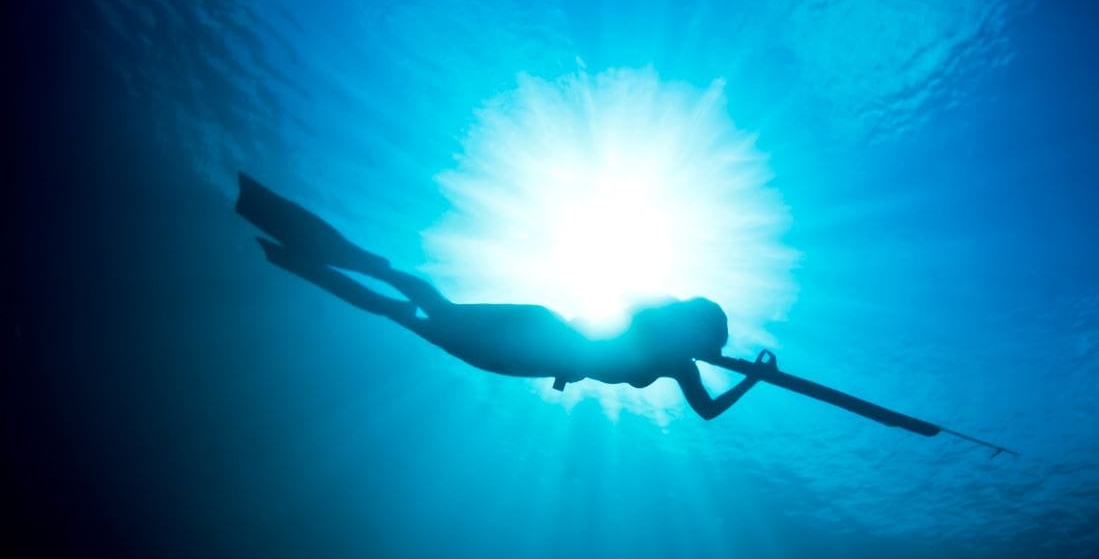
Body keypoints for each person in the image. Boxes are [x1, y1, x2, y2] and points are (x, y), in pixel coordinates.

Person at [236, 173, 775, 419]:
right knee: (427, 315)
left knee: (424, 316)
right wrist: (743, 372)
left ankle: (350, 265)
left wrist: (751, 377)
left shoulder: (679, 362)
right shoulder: (658, 327)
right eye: (707, 334)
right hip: (538, 337)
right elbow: (617, 299)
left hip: (535, 352)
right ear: (696, 327)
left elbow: (706, 412)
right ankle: (359, 264)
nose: (705, 343)